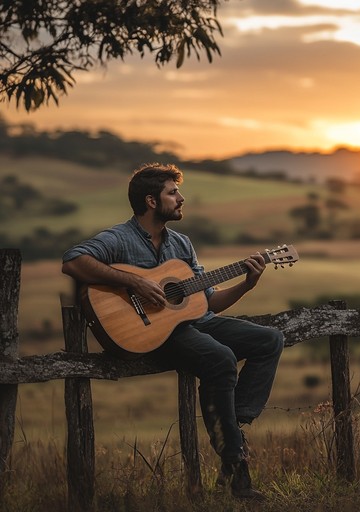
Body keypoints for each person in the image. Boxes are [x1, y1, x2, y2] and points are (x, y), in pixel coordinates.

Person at [61, 163, 284, 500]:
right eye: (173, 192)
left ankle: (233, 427)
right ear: (151, 201)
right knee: (220, 359)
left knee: (270, 339)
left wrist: (247, 284)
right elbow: (73, 261)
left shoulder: (181, 244)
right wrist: (135, 281)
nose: (181, 198)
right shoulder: (119, 238)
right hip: (155, 333)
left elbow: (209, 303)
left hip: (194, 322)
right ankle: (237, 469)